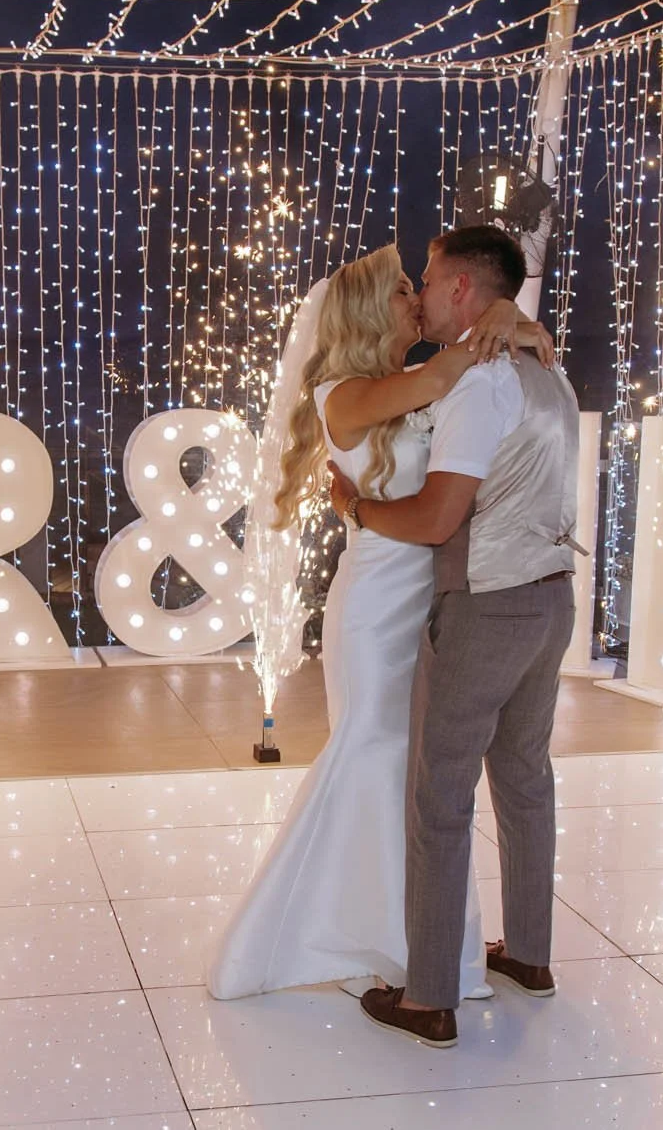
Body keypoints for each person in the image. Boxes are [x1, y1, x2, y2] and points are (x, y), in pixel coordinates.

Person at [206, 241, 555, 1001]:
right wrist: (500, 317)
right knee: (375, 754)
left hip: (426, 599)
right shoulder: (345, 391)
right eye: (404, 290)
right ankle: (328, 932)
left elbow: (449, 395)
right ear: (370, 311)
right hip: (374, 608)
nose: (417, 298)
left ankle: (406, 940)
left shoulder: (402, 387)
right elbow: (443, 374)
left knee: (410, 771)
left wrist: (499, 315)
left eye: (421, 284)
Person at [331, 224, 582, 1049]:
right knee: (524, 779)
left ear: (464, 291)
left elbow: (442, 518)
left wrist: (358, 510)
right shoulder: (551, 373)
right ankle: (533, 955)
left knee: (440, 798)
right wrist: (520, 322)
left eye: (431, 281)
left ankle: (430, 996)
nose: (425, 293)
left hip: (486, 605)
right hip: (553, 602)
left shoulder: (479, 383)